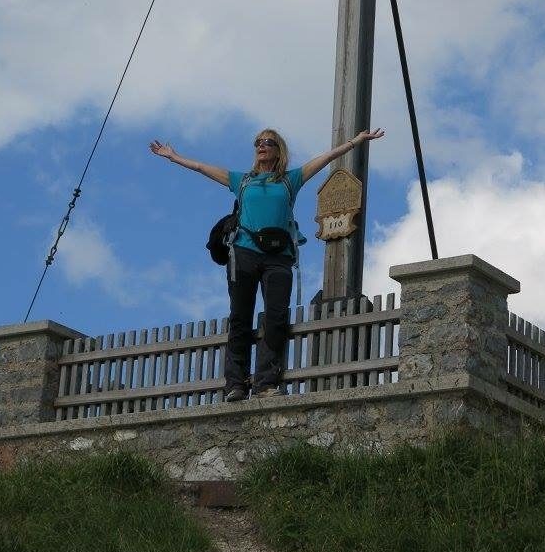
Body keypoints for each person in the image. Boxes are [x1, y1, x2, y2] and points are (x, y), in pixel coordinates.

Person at [149, 126, 384, 401]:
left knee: (275, 317)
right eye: (258, 142)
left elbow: (326, 158)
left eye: (268, 142)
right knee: (240, 317)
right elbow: (201, 167)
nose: (262, 146)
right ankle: (235, 384)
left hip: (279, 257)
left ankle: (265, 384)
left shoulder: (289, 180)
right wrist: (173, 156)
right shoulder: (242, 181)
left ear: (278, 150)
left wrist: (355, 141)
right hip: (244, 253)